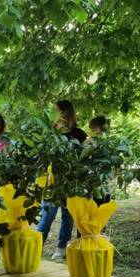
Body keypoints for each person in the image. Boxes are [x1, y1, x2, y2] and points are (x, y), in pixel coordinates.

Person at [37, 100, 87, 259]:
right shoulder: (50, 133)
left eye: (56, 111)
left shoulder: (79, 134)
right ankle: (37, 246)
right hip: (52, 182)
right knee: (46, 215)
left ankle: (61, 247)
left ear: (65, 113)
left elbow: (85, 157)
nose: (54, 114)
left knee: (68, 215)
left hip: (71, 181)